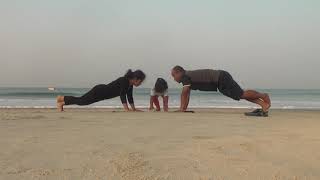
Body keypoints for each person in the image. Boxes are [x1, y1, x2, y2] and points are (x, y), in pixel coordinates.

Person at [171, 66, 271, 117]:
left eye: (174, 75)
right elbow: (187, 94)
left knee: (241, 94)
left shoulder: (185, 76)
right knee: (240, 95)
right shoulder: (187, 77)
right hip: (220, 79)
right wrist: (183, 109)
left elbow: (184, 92)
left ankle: (263, 96)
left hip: (220, 78)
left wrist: (181, 109)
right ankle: (263, 105)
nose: (174, 78)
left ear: (179, 72)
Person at [56, 69, 146, 112]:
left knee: (82, 101)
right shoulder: (124, 80)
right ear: (135, 79)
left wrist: (133, 109)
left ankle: (62, 100)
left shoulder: (130, 85)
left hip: (101, 95)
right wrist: (127, 109)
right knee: (82, 101)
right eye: (140, 81)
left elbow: (129, 97)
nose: (140, 83)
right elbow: (122, 95)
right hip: (99, 91)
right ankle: (62, 100)